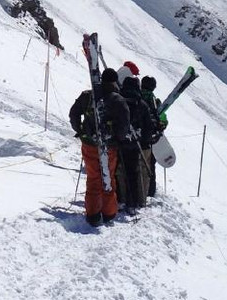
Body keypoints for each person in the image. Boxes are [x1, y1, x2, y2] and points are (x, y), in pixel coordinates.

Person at [70, 67, 132, 227]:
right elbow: (124, 125)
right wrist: (118, 139)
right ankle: (109, 212)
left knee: (93, 178)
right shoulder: (118, 100)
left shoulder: (88, 96)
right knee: (108, 178)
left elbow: (74, 113)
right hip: (109, 146)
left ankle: (93, 214)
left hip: (89, 144)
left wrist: (80, 130)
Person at [116, 63, 152, 211]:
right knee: (133, 171)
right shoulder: (142, 104)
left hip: (120, 141)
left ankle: (120, 197)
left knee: (119, 170)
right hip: (135, 143)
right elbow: (147, 126)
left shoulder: (119, 101)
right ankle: (133, 201)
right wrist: (145, 141)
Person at [139, 75, 167, 197]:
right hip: (150, 139)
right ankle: (149, 191)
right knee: (150, 165)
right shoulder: (155, 102)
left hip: (133, 137)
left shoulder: (135, 96)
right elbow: (163, 120)